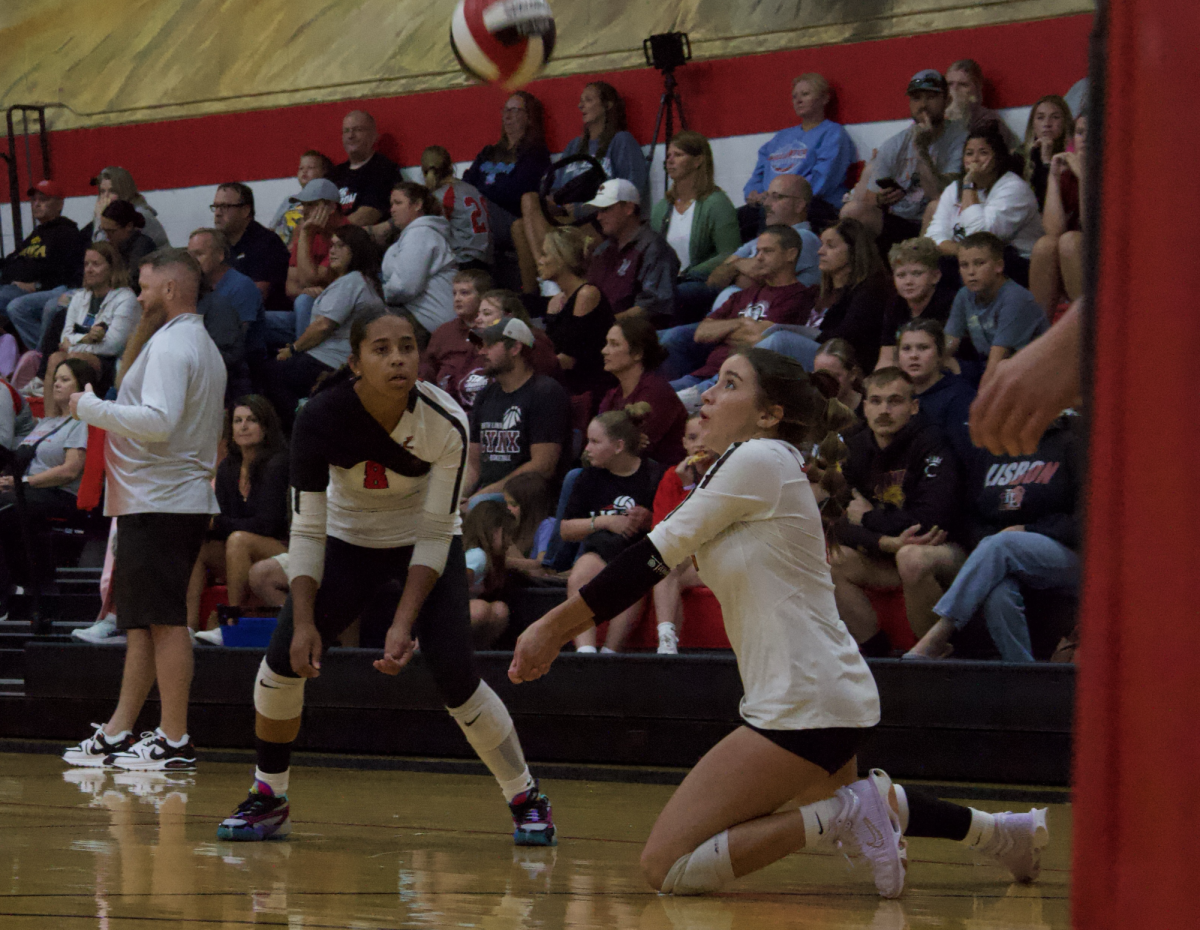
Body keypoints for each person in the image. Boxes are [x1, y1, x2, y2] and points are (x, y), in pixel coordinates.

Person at [509, 348, 1047, 898]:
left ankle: (845, 815)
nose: (710, 394)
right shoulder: (745, 467)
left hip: (804, 701)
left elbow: (652, 557)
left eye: (730, 383)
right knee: (847, 798)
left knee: (666, 866)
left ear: (769, 414)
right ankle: (1003, 834)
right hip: (822, 693)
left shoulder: (760, 459)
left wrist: (552, 628)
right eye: (713, 381)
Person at [214, 309, 556, 847]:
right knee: (281, 664)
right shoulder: (319, 417)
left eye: (406, 347)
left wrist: (404, 621)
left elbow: (438, 528)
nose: (397, 357)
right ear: (354, 361)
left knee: (456, 679)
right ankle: (268, 796)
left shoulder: (446, 422)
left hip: (425, 543)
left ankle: (527, 798)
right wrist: (303, 620)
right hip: (346, 543)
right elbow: (306, 526)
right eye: (380, 349)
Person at [62, 248, 227, 771]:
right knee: (142, 624)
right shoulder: (189, 343)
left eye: (146, 286)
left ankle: (174, 739)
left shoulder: (176, 346)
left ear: (172, 290)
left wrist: (91, 409)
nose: (138, 296)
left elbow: (158, 421)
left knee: (164, 621)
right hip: (154, 500)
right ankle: (118, 731)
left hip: (162, 502)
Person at [906, 413, 1082, 662]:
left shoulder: (1072, 443)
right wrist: (989, 541)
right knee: (998, 592)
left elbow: (1089, 519)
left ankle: (939, 633)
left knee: (1003, 544)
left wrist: (1030, 530)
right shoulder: (994, 449)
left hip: (1069, 555)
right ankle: (1023, 677)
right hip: (1000, 552)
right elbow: (972, 515)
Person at [831, 368, 964, 652]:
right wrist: (885, 542)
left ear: (913, 406)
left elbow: (930, 522)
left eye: (895, 401)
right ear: (864, 406)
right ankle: (875, 654)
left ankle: (934, 657)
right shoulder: (854, 446)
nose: (884, 410)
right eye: (876, 401)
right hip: (890, 549)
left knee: (912, 558)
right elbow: (837, 523)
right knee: (832, 557)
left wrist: (868, 517)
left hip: (945, 550)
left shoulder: (932, 442)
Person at [512, 82, 650, 294]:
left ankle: (550, 283)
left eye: (588, 100)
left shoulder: (621, 141)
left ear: (608, 105)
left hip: (599, 221)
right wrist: (552, 203)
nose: (580, 106)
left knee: (526, 228)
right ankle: (539, 287)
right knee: (526, 206)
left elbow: (632, 191)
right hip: (568, 218)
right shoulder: (574, 146)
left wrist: (581, 209)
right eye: (580, 101)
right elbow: (555, 191)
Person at [561, 404, 663, 653]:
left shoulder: (653, 475)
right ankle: (585, 652)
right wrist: (604, 522)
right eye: (588, 441)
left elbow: (673, 522)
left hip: (639, 551)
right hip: (602, 549)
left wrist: (650, 518)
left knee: (634, 577)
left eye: (595, 442)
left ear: (618, 446)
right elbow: (565, 529)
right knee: (580, 574)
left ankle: (610, 652)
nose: (586, 449)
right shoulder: (588, 478)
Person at [673, 225, 815, 401]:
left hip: (736, 383)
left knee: (658, 404)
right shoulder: (744, 293)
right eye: (758, 251)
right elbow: (701, 333)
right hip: (702, 375)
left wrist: (721, 332)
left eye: (768, 251)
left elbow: (759, 339)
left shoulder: (798, 296)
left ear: (790, 255)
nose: (759, 258)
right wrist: (739, 323)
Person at [190, 397, 290, 642]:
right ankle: (188, 627)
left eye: (251, 420)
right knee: (199, 547)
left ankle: (232, 622)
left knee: (237, 540)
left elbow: (268, 524)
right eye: (237, 421)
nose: (243, 426)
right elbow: (222, 518)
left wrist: (218, 524)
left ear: (265, 427)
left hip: (282, 546)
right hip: (242, 546)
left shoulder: (278, 463)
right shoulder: (228, 468)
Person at [267, 225, 385, 430]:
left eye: (340, 246)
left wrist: (293, 349)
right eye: (331, 245)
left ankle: (301, 425)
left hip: (331, 361)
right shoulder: (364, 281)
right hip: (340, 359)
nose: (332, 251)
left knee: (269, 373)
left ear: (356, 250)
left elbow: (323, 325)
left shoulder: (352, 281)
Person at [0, 358, 90, 617]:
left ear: (83, 386)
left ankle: (19, 590)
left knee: (7, 510)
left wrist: (22, 482)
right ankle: (18, 587)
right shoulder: (47, 423)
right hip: (27, 491)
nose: (56, 384)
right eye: (56, 379)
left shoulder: (82, 422)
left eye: (65, 380)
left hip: (61, 495)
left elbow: (70, 470)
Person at [840, 70, 968, 249]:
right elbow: (869, 196)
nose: (923, 105)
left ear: (947, 101)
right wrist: (880, 199)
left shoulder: (961, 138)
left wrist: (922, 150)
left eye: (931, 97)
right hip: (900, 221)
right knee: (852, 212)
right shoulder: (895, 144)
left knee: (935, 205)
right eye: (916, 98)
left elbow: (940, 196)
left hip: (940, 221)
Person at [755, 218, 892, 373]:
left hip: (846, 364)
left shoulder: (869, 290)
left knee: (780, 341)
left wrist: (800, 333)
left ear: (854, 250)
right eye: (821, 245)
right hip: (816, 358)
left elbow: (847, 338)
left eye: (830, 246)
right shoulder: (818, 292)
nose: (820, 251)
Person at [465, 317, 571, 504]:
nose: (481, 351)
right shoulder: (485, 395)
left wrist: (480, 496)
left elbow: (542, 466)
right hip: (486, 496)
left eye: (489, 344)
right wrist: (458, 498)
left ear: (515, 348)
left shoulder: (545, 393)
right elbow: (474, 465)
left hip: (527, 499)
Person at [925, 121, 1044, 276]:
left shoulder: (1013, 187)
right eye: (969, 153)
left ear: (997, 158)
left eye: (983, 153)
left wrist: (969, 185)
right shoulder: (954, 189)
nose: (975, 159)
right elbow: (933, 236)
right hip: (967, 260)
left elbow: (981, 236)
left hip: (1015, 262)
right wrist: (962, 251)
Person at [742, 73, 858, 232]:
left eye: (805, 94)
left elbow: (824, 179)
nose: (798, 100)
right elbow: (759, 172)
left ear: (824, 99)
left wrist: (781, 198)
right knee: (737, 219)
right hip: (772, 201)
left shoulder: (833, 134)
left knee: (771, 214)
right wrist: (753, 193)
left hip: (813, 204)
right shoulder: (782, 137)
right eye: (794, 96)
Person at [650, 131, 741, 324]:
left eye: (678, 155)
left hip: (700, 282)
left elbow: (730, 252)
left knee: (671, 298)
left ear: (698, 161)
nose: (670, 161)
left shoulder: (717, 203)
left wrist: (688, 274)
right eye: (668, 156)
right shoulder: (661, 207)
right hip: (667, 283)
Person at [41, 243, 139, 417]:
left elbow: (112, 346)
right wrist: (86, 339)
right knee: (55, 358)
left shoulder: (126, 298)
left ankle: (77, 422)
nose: (89, 269)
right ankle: (50, 420)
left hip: (114, 363)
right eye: (86, 264)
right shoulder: (80, 297)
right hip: (83, 353)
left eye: (96, 264)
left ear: (112, 268)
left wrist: (74, 344)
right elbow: (66, 335)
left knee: (74, 359)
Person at [945, 232, 1048, 386]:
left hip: (1032, 373)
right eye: (964, 265)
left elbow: (997, 361)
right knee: (943, 366)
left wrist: (979, 406)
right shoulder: (964, 295)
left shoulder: (1015, 298)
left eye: (979, 263)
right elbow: (949, 342)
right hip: (988, 366)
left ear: (998, 266)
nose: (971, 272)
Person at [649, 412, 714, 654]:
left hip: (720, 552)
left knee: (665, 573)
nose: (699, 443)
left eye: (706, 434)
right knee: (661, 563)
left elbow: (709, 526)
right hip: (687, 556)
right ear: (684, 443)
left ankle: (668, 641)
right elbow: (663, 530)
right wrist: (684, 484)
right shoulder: (671, 476)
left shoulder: (726, 472)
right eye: (692, 437)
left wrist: (689, 488)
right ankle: (666, 639)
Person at [0, 180, 85, 351]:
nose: (37, 204)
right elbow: (12, 261)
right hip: (19, 287)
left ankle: (45, 353)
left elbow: (67, 273)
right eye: (34, 200)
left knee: (14, 305)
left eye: (43, 200)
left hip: (50, 289)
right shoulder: (38, 233)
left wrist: (38, 286)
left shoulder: (67, 232)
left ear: (60, 203)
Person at [463, 92, 551, 255]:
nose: (507, 116)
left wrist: (480, 196)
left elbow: (515, 192)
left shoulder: (535, 153)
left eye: (515, 110)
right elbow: (467, 182)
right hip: (480, 211)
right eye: (505, 110)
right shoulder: (488, 152)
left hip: (509, 217)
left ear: (529, 117)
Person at [585, 180, 680, 326]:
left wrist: (603, 325)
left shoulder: (654, 248)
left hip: (632, 338)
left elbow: (652, 309)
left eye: (606, 209)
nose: (599, 217)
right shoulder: (602, 250)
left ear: (628, 208)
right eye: (598, 210)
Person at [599, 315, 687, 467]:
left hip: (658, 476)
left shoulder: (657, 392)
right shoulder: (612, 395)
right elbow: (597, 444)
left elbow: (633, 452)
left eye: (614, 344)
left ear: (637, 353)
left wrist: (615, 442)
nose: (604, 351)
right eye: (607, 343)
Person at [538, 226, 615, 402]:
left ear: (562, 258)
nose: (540, 261)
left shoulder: (587, 294)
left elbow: (570, 358)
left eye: (544, 254)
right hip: (563, 385)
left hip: (590, 388)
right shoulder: (555, 302)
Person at [381, 182, 457, 339]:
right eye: (391, 204)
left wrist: (378, 293)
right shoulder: (416, 234)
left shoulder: (420, 234)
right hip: (426, 318)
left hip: (429, 321)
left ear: (417, 205)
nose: (392, 209)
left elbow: (405, 286)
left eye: (398, 203)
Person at [1028, 114, 1087, 314]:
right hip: (1070, 255)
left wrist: (1084, 177)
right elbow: (1052, 230)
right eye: (1080, 133)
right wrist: (1053, 177)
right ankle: (1039, 332)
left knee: (1070, 241)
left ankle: (1085, 327)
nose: (1085, 138)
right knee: (1045, 245)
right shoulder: (1067, 175)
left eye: (1092, 132)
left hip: (1106, 252)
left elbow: (1092, 226)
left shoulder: (1116, 170)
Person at [897, 319, 976, 466]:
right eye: (906, 348)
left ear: (940, 354)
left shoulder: (961, 397)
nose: (913, 355)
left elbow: (967, 458)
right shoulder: (894, 397)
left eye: (923, 348)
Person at [420, 268, 494, 410]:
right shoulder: (443, 333)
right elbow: (427, 375)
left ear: (483, 297)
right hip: (450, 409)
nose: (457, 299)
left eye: (465, 293)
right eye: (454, 293)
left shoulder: (497, 330)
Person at [212, 182, 291, 313]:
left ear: (245, 211)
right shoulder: (217, 244)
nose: (217, 213)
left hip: (269, 318)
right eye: (215, 207)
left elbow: (256, 297)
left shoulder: (265, 242)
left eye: (224, 206)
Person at [876, 237, 954, 369]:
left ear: (935, 276)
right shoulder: (895, 304)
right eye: (901, 275)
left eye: (917, 274)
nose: (908, 282)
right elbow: (887, 358)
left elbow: (944, 357)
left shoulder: (949, 303)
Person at [187, 227, 265, 357]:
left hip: (242, 364)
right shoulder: (194, 285)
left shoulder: (241, 286)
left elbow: (236, 339)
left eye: (199, 254)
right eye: (190, 256)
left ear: (220, 255)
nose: (192, 261)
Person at [421, 145, 492, 269]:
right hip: (486, 257)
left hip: (463, 261)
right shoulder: (470, 188)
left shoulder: (440, 196)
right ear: (450, 166)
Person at [327, 110, 402, 226]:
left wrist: (331, 234)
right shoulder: (334, 173)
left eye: (358, 130)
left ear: (374, 136)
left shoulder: (384, 169)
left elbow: (368, 214)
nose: (350, 135)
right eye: (346, 131)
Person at [474, 289, 563, 383]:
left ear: (509, 316)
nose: (478, 320)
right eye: (478, 314)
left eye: (487, 313)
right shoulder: (487, 344)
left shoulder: (535, 343)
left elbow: (541, 387)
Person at [463, 499, 514, 648]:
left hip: (459, 612)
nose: (510, 541)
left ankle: (477, 654)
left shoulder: (488, 558)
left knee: (500, 610)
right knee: (480, 609)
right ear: (493, 530)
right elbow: (451, 589)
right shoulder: (478, 556)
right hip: (445, 612)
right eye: (507, 533)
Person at [82, 166, 169, 248]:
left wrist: (99, 219)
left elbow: (104, 251)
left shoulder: (140, 215)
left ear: (125, 191)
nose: (106, 196)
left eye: (112, 191)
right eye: (102, 191)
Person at [943, 59, 1020, 150]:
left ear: (976, 89)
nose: (954, 89)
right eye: (949, 84)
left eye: (963, 85)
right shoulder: (936, 115)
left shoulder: (989, 121)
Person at [268, 150, 334, 247]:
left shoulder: (324, 201)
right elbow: (272, 227)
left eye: (310, 167)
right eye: (301, 168)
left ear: (324, 171)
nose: (304, 171)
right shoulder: (289, 200)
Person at [1021, 96, 1074, 210]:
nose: (1047, 123)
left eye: (1055, 117)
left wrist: (1046, 160)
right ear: (1032, 124)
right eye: (1040, 117)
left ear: (1065, 122)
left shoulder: (1072, 156)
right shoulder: (1019, 156)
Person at [502, 471, 555, 576]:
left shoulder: (548, 525)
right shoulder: (515, 525)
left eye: (513, 504)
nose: (507, 508)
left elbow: (541, 568)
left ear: (531, 507)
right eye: (506, 503)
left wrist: (504, 561)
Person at [97, 200, 157, 282]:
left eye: (111, 231)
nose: (107, 236)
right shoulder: (113, 246)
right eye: (103, 231)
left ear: (129, 226)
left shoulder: (143, 246)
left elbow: (133, 280)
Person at [813, 338, 864, 414]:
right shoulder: (808, 403)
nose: (826, 381)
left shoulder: (867, 408)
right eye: (820, 375)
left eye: (834, 376)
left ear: (853, 374)